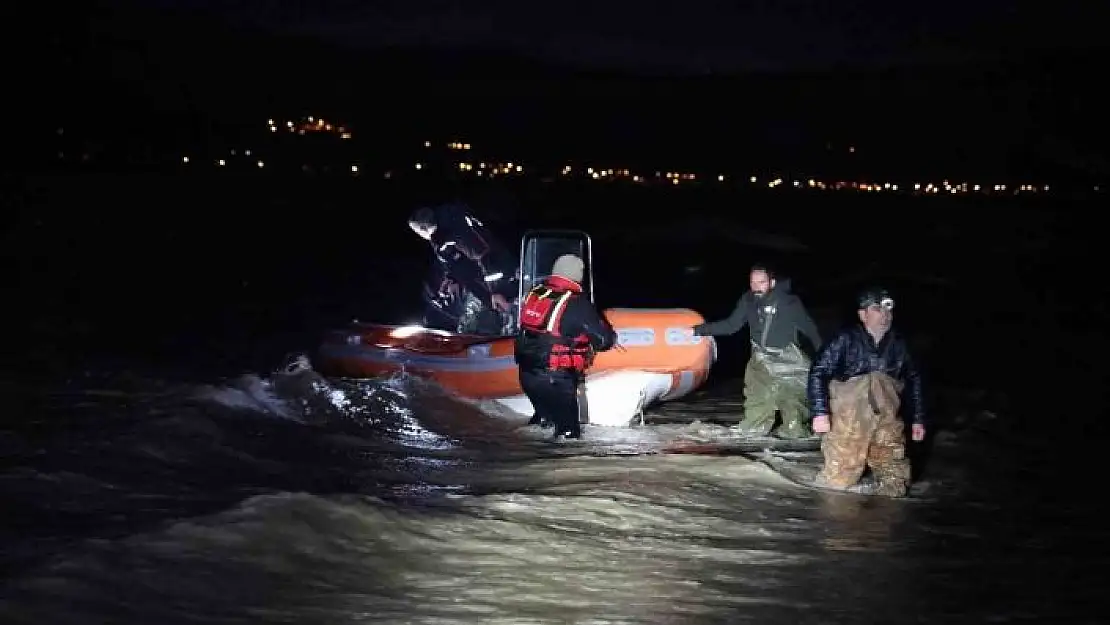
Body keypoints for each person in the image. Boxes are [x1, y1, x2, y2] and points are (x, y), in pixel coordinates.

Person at [807, 287, 926, 498]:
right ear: (863, 314)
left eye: (888, 309)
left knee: (895, 483)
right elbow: (818, 372)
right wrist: (820, 412)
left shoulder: (899, 344)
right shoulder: (845, 339)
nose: (885, 315)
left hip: (887, 420)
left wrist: (917, 420)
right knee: (837, 483)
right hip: (849, 422)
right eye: (877, 309)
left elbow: (914, 381)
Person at [691, 264, 822, 438]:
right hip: (760, 358)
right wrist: (699, 330)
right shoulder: (748, 300)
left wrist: (823, 357)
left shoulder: (789, 302)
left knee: (793, 400)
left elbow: (811, 330)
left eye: (761, 282)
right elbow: (731, 325)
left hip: (788, 360)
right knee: (757, 394)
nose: (756, 287)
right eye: (753, 283)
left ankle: (796, 431)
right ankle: (754, 428)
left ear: (772, 282)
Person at [514, 254, 617, 440]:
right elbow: (604, 341)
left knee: (544, 422)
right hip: (555, 379)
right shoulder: (577, 303)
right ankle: (561, 466)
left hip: (527, 374)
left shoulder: (536, 293)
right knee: (568, 436)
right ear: (578, 275)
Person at [408, 202, 517, 335]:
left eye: (418, 232)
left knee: (478, 327)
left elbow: (486, 257)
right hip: (482, 286)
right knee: (471, 326)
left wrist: (496, 291)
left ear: (423, 228)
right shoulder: (440, 236)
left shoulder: (456, 231)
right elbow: (454, 260)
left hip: (499, 283)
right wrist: (450, 278)